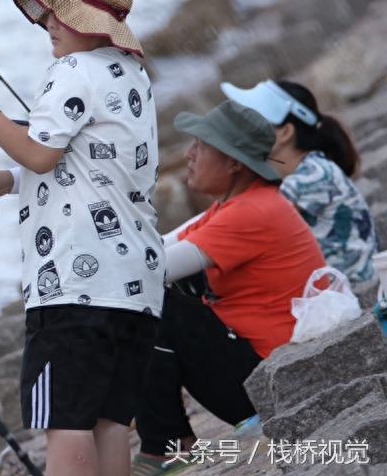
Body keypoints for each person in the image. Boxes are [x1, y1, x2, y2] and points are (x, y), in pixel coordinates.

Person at [0, 0, 163, 476]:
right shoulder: (133, 76)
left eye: (61, 14)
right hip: (136, 283)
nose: (48, 22)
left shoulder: (72, 70)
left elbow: (40, 152)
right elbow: (88, 163)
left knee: (67, 421)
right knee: (109, 422)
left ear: (91, 24)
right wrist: (9, 181)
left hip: (75, 283)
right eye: (49, 12)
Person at [130, 100, 326, 476]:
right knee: (156, 290)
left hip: (270, 384)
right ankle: (162, 435)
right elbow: (161, 247)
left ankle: (167, 444)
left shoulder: (250, 213)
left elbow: (148, 271)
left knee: (146, 299)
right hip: (257, 368)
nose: (188, 154)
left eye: (201, 146)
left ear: (235, 162)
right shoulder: (236, 205)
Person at [222, 79, 380, 283]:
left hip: (352, 294)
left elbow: (244, 226)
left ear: (285, 133)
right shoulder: (307, 170)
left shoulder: (312, 176)